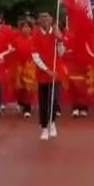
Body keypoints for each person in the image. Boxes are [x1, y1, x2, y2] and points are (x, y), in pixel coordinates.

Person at [32, 12, 66, 140]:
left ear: (51, 20)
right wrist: (47, 70)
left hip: (56, 73)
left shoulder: (56, 33)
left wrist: (60, 40)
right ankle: (44, 128)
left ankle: (52, 123)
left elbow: (61, 54)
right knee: (44, 101)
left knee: (54, 101)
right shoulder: (36, 34)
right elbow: (35, 56)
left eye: (47, 17)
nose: (44, 20)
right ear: (39, 21)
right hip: (43, 74)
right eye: (42, 18)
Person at [11, 18, 37, 118]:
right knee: (20, 87)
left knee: (28, 87)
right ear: (21, 29)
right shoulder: (17, 39)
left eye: (28, 27)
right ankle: (21, 103)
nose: (26, 29)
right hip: (18, 66)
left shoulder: (34, 39)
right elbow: (12, 51)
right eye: (24, 27)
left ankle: (27, 108)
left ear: (31, 29)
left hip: (30, 66)